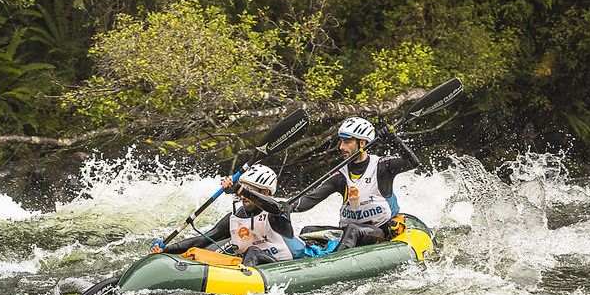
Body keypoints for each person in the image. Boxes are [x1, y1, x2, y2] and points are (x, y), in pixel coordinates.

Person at [292, 116, 421, 251]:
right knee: (307, 231)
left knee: (353, 230)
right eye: (341, 141)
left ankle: (334, 264)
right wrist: (288, 207)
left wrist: (394, 141)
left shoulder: (382, 166)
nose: (341, 147)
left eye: (347, 142)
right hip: (348, 233)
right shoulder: (340, 175)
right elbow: (312, 198)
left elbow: (412, 163)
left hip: (380, 231)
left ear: (363, 143)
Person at [150, 165, 307, 266]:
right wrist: (165, 250)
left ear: (265, 192)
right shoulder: (234, 218)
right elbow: (202, 239)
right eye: (243, 190)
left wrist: (240, 188)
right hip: (252, 266)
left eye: (250, 191)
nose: (244, 196)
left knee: (252, 251)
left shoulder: (277, 211)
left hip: (285, 265)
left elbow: (276, 207)